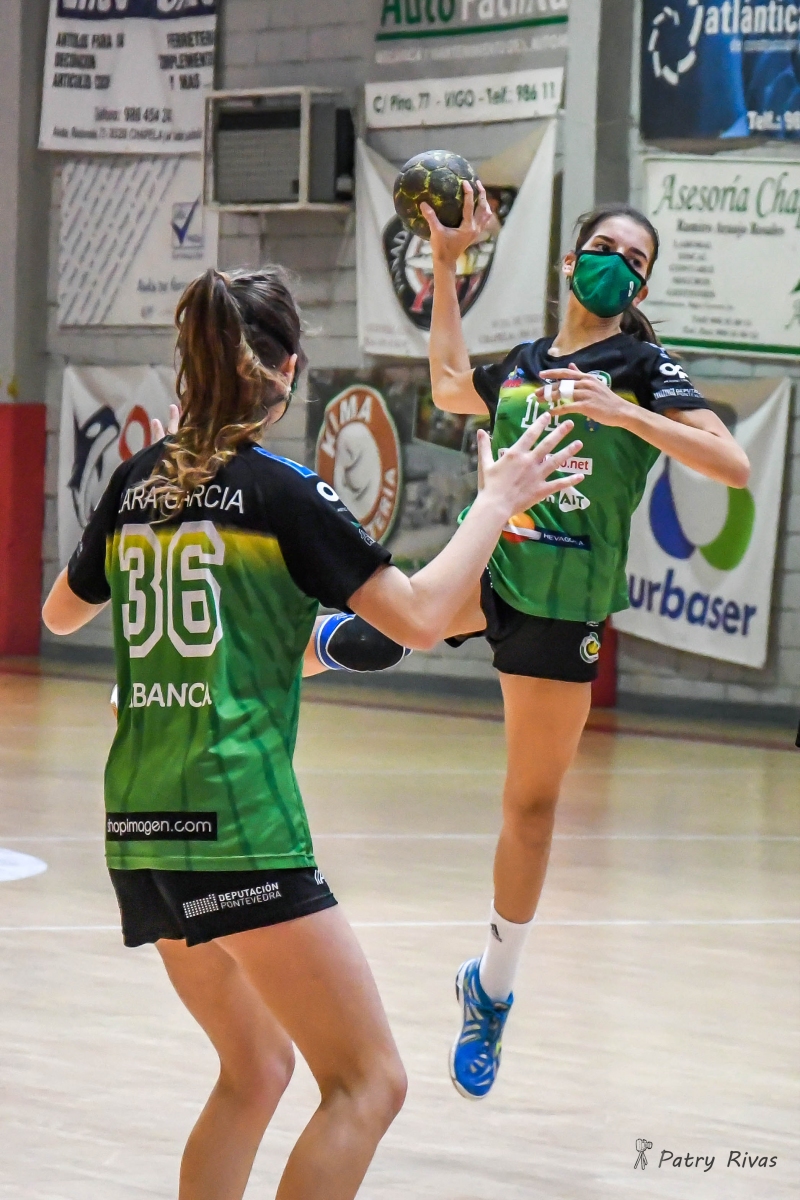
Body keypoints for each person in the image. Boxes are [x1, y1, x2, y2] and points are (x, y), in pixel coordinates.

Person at [42, 265, 585, 1200]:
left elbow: (62, 615)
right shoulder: (283, 492)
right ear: (287, 371)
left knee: (255, 1070)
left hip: (139, 826)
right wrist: (495, 502)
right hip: (238, 823)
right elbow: (420, 617)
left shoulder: (136, 483)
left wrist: (315, 640)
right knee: (369, 1084)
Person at [420, 190, 751, 1100]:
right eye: (605, 247)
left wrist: (624, 414)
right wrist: (446, 265)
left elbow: (731, 465)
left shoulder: (642, 366)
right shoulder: (525, 364)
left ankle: (490, 990)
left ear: (640, 286)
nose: (618, 264)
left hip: (565, 603)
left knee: (530, 809)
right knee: (375, 623)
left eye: (635, 261)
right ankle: (236, 676)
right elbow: (447, 383)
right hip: (492, 565)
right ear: (571, 261)